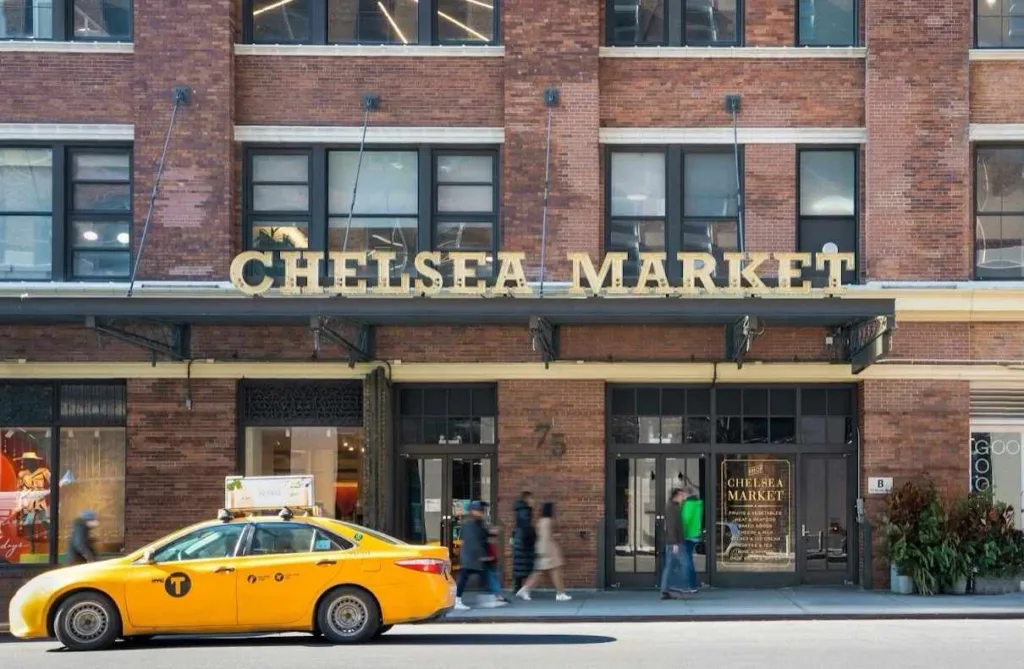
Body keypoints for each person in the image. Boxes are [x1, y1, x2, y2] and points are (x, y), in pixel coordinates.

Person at [454, 501, 506, 610]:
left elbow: (485, 534)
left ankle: (496, 595)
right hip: (471, 556)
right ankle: (457, 600)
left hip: (475, 556)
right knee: (465, 576)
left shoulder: (478, 523)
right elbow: (473, 541)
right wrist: (481, 555)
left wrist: (494, 531)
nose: (482, 512)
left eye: (482, 510)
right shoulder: (470, 524)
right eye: (479, 510)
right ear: (472, 511)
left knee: (486, 573)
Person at [515, 502, 571, 602]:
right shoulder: (549, 521)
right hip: (549, 551)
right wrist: (557, 536)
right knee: (553, 572)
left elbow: (542, 536)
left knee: (540, 572)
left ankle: (525, 590)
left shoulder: (540, 521)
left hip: (542, 549)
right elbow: (548, 536)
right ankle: (560, 593)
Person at [659, 488, 686, 600]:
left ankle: (670, 590)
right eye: (681, 496)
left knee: (673, 566)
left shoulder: (675, 506)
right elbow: (671, 526)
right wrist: (675, 542)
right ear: (675, 496)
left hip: (676, 541)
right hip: (673, 542)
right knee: (670, 566)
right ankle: (665, 590)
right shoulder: (671, 507)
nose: (683, 498)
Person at [680, 486, 704, 594]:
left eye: (682, 494)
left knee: (686, 561)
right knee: (688, 560)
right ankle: (691, 585)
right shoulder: (698, 504)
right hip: (694, 535)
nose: (682, 496)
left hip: (687, 536)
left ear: (686, 494)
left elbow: (685, 520)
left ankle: (689, 585)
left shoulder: (688, 504)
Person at [512, 491, 536, 592]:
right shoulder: (525, 511)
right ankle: (521, 588)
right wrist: (534, 536)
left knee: (520, 564)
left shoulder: (521, 510)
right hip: (524, 540)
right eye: (531, 498)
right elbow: (526, 526)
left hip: (520, 538)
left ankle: (519, 587)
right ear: (526, 499)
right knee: (524, 564)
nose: (533, 501)